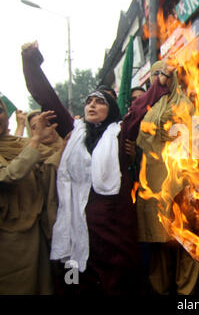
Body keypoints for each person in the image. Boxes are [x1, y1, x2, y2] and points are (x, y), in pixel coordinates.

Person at [22, 41, 171, 295]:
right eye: (89, 101)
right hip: (76, 229)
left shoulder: (121, 134)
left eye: (99, 102)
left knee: (120, 286)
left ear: (111, 110)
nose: (91, 105)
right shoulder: (74, 132)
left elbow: (136, 111)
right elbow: (47, 97)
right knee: (76, 285)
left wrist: (159, 83)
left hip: (115, 233)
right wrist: (30, 60)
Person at [136, 60, 199, 295]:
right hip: (152, 182)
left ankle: (186, 292)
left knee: (187, 241)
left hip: (181, 180)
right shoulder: (145, 107)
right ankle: (160, 290)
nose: (159, 80)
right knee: (157, 242)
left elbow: (192, 142)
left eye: (163, 75)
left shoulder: (186, 105)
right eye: (155, 75)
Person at [0, 98, 61, 294]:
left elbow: (54, 158)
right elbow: (10, 175)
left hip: (37, 227)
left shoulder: (20, 144)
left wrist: (67, 141)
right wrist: (35, 139)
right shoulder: (30, 144)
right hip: (9, 236)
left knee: (43, 284)